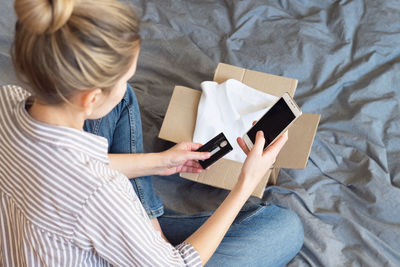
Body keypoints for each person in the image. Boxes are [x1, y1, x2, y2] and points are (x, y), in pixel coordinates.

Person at [0, 0, 304, 266]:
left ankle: (149, 226)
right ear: (90, 98)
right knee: (283, 227)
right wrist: (246, 182)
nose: (124, 86)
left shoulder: (7, 100)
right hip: (105, 230)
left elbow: (65, 164)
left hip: (42, 230)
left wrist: (160, 161)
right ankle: (151, 238)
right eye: (123, 78)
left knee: (123, 101)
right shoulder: (100, 193)